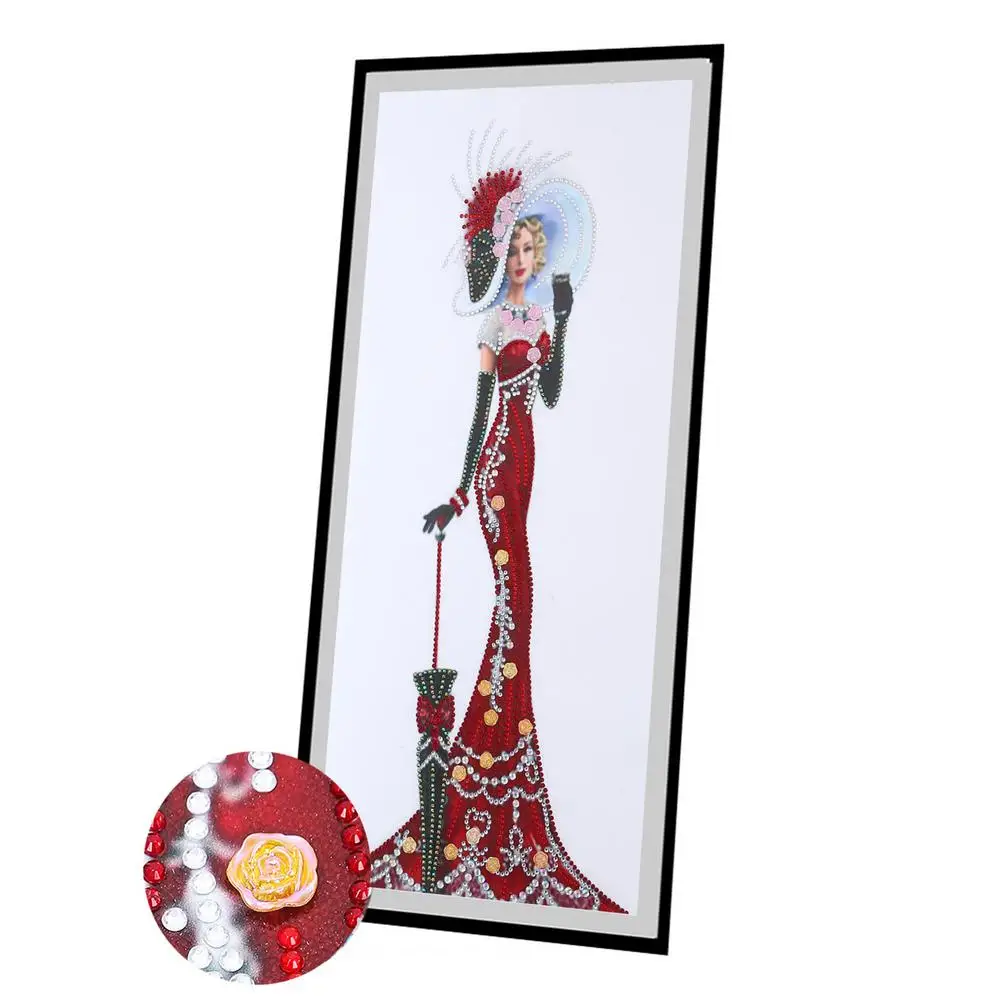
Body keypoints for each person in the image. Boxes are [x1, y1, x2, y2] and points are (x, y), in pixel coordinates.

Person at [370, 139, 622, 911]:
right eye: (512, 249)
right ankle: (495, 744)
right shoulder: (491, 323)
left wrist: (564, 322)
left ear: (539, 255)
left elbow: (549, 392)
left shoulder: (538, 314)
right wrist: (458, 491)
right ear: (503, 252)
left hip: (526, 463)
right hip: (493, 473)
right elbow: (481, 411)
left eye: (527, 250)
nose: (519, 260)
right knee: (519, 599)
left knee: (521, 604)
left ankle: (497, 739)